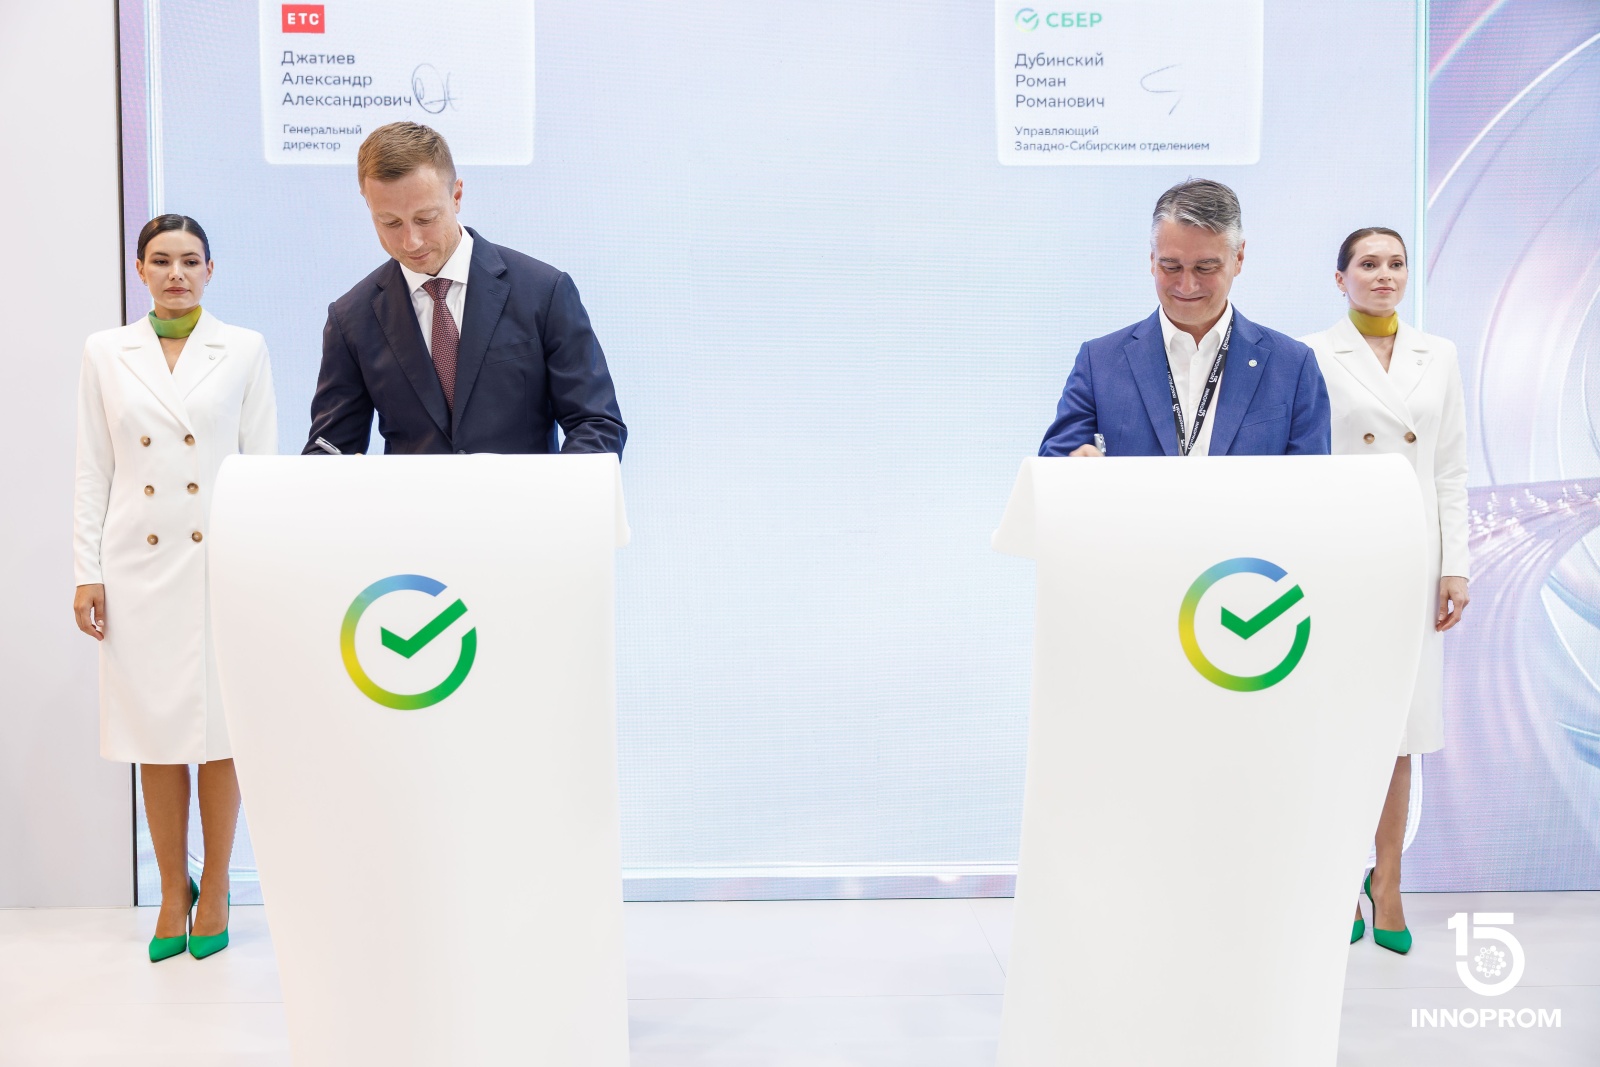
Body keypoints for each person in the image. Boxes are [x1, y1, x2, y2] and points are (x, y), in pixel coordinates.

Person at [73, 215, 278, 961]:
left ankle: (216, 884)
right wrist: (86, 571)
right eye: (161, 261)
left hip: (221, 561)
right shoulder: (106, 352)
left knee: (222, 733)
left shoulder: (244, 348)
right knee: (153, 734)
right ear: (140, 269)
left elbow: (261, 464)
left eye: (190, 260)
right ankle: (170, 889)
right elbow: (93, 467)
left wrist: (263, 567)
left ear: (210, 270)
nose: (176, 274)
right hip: (137, 565)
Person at [1301, 227, 1469, 955]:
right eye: (1368, 264)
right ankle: (1340, 883)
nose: (1384, 275)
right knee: (1341, 731)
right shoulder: (1310, 354)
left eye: (1396, 263)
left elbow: (1451, 467)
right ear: (1340, 277)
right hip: (1342, 560)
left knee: (1400, 735)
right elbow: (1303, 464)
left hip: (1413, 559)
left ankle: (1389, 882)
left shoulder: (1440, 355)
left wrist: (1455, 564)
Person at [302, 121, 625, 456]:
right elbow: (330, 450)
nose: (411, 241)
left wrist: (556, 489)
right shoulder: (350, 320)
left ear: (456, 195)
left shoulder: (544, 292)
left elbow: (596, 424)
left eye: (426, 218)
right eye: (390, 223)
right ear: (368, 205)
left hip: (526, 493)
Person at [1039, 179, 1330, 458]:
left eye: (1205, 268)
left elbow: (1314, 480)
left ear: (1239, 258)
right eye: (1171, 267)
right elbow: (1054, 464)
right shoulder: (1099, 362)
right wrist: (1074, 463)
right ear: (1152, 259)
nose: (1187, 286)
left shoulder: (1292, 366)